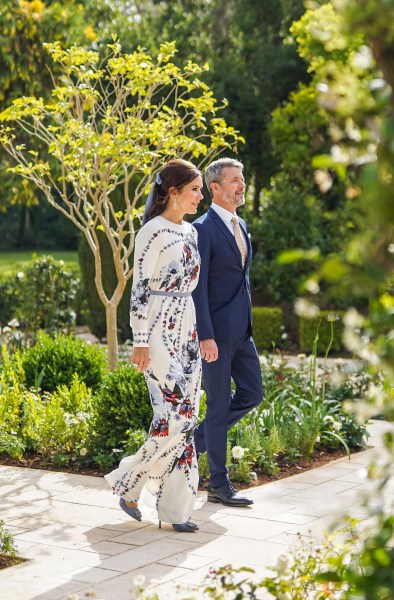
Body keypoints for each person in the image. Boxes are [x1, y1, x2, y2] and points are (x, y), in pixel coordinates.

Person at [105, 159, 204, 532]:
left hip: (188, 327)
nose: (200, 196)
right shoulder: (151, 231)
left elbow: (194, 287)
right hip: (159, 329)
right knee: (176, 417)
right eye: (194, 189)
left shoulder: (192, 233)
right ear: (173, 192)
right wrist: (141, 341)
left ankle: (176, 510)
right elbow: (140, 290)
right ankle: (129, 480)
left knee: (185, 419)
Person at [192, 157, 264, 507]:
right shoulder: (202, 229)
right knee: (219, 406)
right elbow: (198, 287)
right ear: (215, 188)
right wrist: (204, 335)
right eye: (234, 180)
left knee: (253, 394)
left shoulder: (242, 225)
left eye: (243, 178)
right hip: (215, 336)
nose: (242, 184)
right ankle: (218, 485)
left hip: (242, 332)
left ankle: (192, 442)